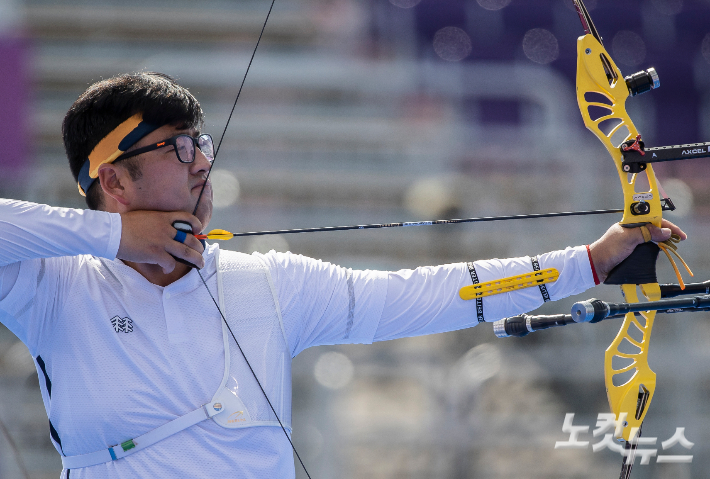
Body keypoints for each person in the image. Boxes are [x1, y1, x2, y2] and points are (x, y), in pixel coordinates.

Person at [0, 72, 685, 479]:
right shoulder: (52, 285)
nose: (201, 163)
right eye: (177, 148)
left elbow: (426, 293)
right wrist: (118, 237)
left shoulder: (267, 282)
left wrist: (587, 263)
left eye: (201, 143)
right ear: (112, 179)